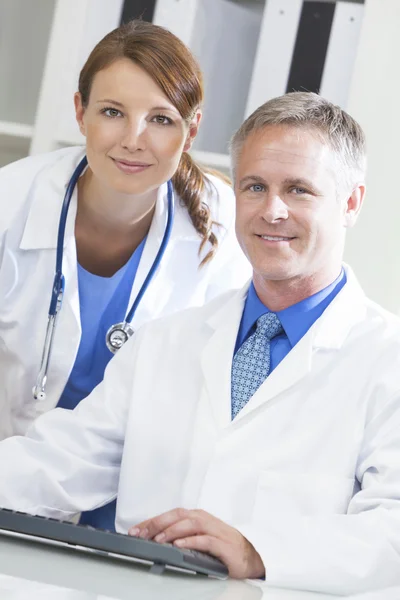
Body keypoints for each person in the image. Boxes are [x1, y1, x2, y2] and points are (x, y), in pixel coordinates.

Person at [0, 92, 400, 595]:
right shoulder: (166, 343)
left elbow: (392, 531)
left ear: (351, 203)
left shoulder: (388, 362)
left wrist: (259, 550)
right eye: (255, 187)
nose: (272, 210)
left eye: (299, 190)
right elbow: (60, 463)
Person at [0, 22, 250, 527]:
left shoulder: (230, 229)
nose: (135, 140)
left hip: (132, 507)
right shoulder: (10, 202)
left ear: (192, 129)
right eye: (113, 112)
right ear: (80, 112)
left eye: (161, 119)